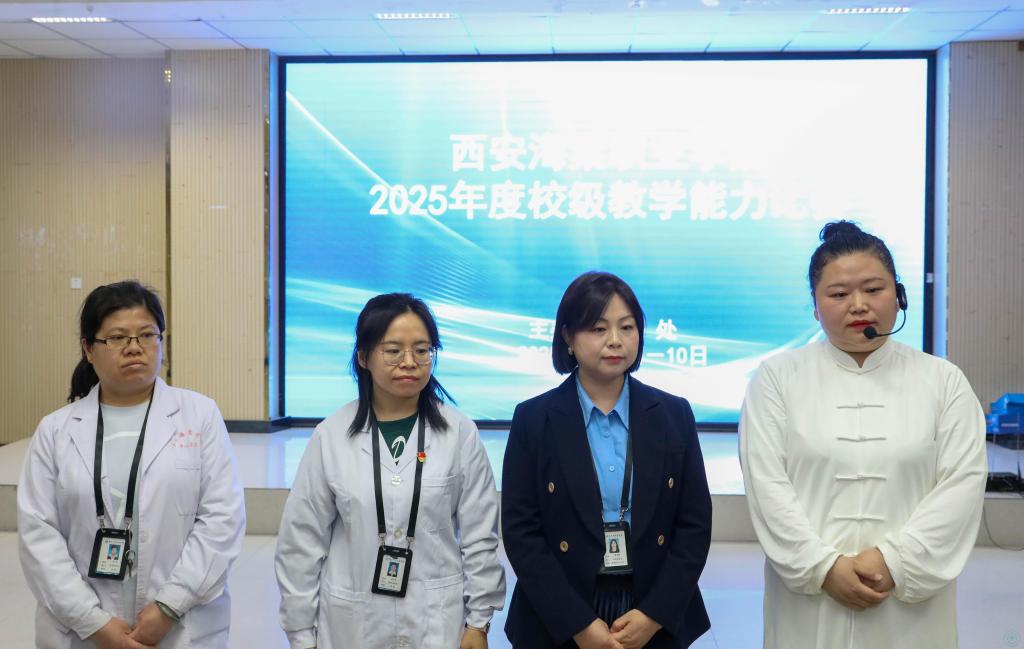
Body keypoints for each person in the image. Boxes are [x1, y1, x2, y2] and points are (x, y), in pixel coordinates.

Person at [739, 221, 988, 649]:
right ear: (815, 306)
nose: (858, 306)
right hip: (810, 602)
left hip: (908, 603)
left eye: (873, 290)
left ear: (899, 295)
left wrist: (895, 561)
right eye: (838, 295)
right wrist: (822, 567)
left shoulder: (943, 380)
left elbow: (962, 485)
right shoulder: (777, 378)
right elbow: (766, 486)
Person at [18, 280, 246, 649]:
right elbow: (38, 534)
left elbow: (223, 518)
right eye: (117, 338)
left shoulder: (199, 415)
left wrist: (169, 606)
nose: (135, 347)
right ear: (88, 349)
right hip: (83, 630)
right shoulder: (56, 430)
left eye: (147, 335)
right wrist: (92, 622)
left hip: (179, 624)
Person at [275, 293, 505, 649]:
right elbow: (301, 542)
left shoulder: (459, 432)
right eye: (393, 351)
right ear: (363, 357)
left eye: (422, 350)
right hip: (353, 623)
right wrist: (302, 634)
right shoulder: (331, 435)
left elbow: (479, 536)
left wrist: (479, 622)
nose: (409, 362)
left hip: (437, 621)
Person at [502, 271, 712, 649]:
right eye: (598, 329)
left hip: (651, 610)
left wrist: (654, 615)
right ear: (568, 336)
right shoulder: (533, 419)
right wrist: (578, 625)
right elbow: (521, 533)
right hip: (560, 615)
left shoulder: (673, 414)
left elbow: (694, 526)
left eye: (626, 327)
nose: (615, 340)